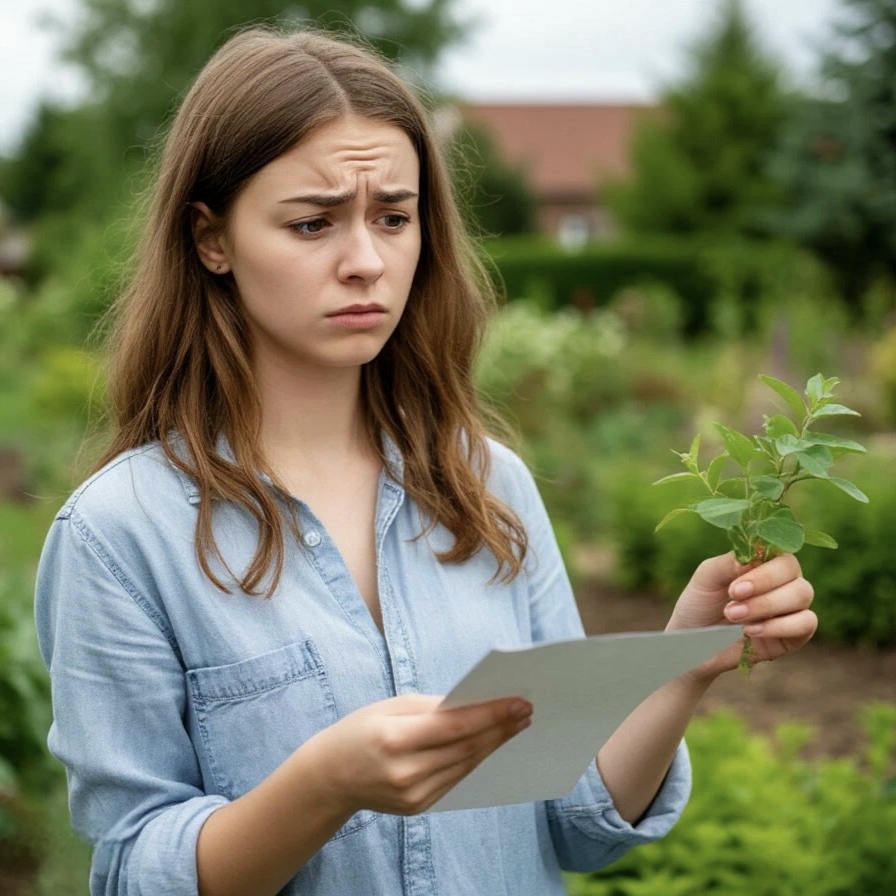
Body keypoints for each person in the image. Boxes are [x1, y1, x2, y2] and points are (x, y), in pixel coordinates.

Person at [33, 25, 817, 896]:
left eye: (394, 218)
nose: (366, 261)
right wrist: (322, 786)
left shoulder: (489, 487)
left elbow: (574, 823)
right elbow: (136, 869)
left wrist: (684, 660)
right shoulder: (118, 535)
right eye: (312, 222)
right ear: (211, 239)